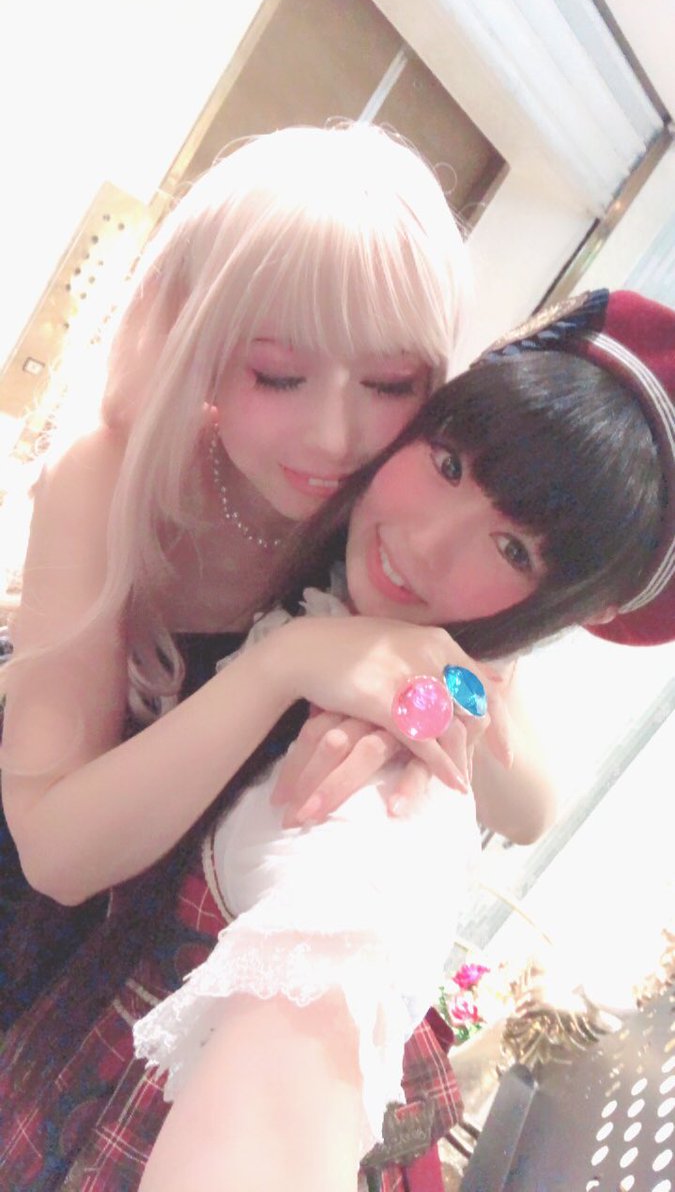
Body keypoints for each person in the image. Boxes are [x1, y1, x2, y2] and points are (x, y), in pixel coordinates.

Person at [2, 287, 671, 1191]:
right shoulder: (273, 497)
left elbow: (391, 884)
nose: (425, 543)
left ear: (560, 610)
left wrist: (430, 700)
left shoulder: (368, 797)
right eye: (447, 463)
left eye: (513, 549)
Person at [0, 119, 505, 1028]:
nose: (335, 438)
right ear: (195, 344)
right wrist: (288, 661)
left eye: (390, 384)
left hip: (163, 960)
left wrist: (451, 688)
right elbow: (54, 853)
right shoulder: (112, 473)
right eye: (277, 375)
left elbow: (531, 799)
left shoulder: (397, 505)